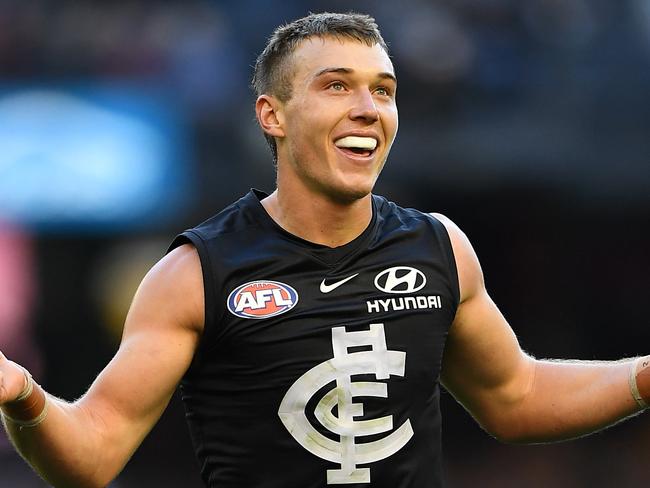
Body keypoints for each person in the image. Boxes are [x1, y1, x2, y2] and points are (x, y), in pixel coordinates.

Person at [1, 12, 648, 488]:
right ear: (272, 115)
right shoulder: (196, 273)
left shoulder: (439, 246)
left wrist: (642, 376)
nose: (369, 107)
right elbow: (91, 456)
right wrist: (21, 393)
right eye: (337, 85)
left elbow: (517, 396)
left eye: (384, 89)